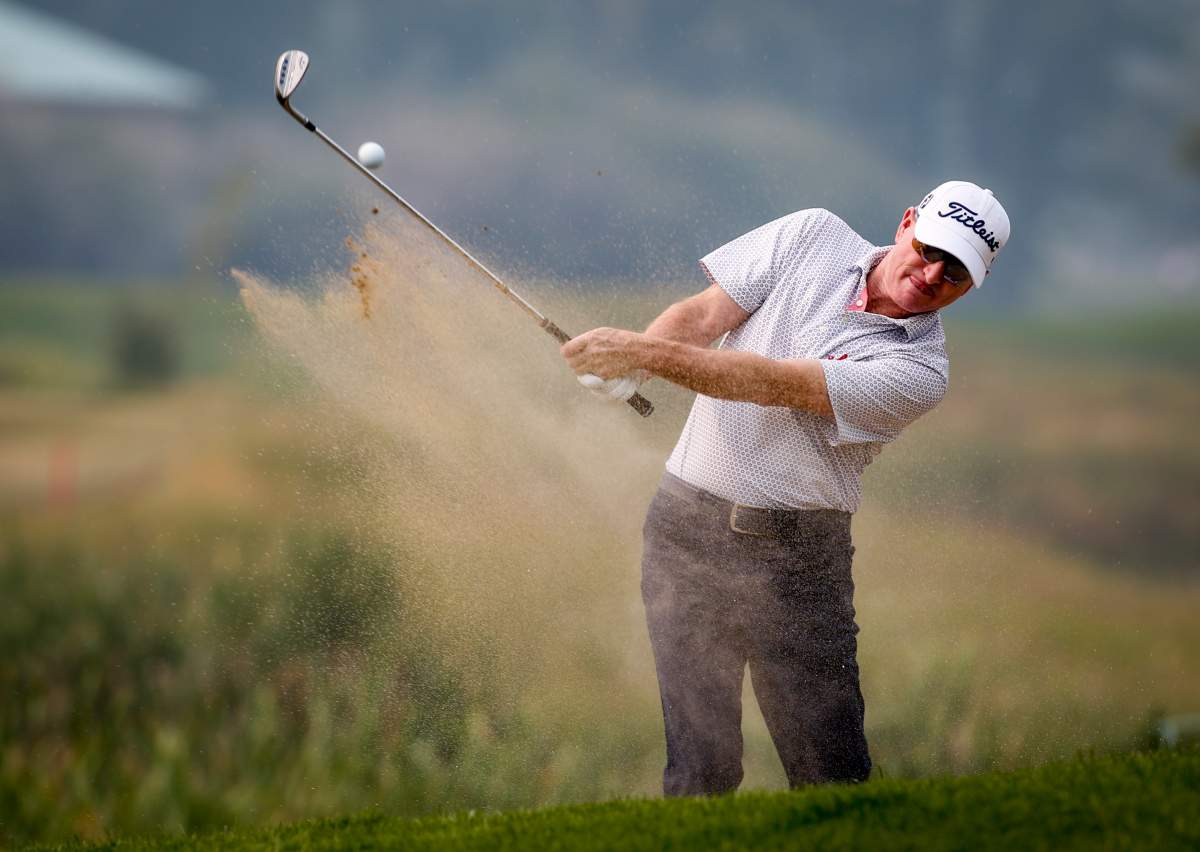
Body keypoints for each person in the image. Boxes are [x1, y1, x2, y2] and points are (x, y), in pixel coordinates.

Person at [560, 180, 1011, 796]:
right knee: (698, 770)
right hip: (684, 529)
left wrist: (641, 352)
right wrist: (639, 359)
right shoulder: (812, 233)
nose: (933, 273)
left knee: (830, 775)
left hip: (800, 565)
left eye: (956, 272)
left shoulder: (920, 371)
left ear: (973, 284)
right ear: (908, 222)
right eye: (931, 249)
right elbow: (704, 314)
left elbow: (772, 383)